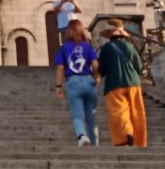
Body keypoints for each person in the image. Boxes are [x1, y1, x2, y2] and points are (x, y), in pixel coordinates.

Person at [98, 18, 147, 147]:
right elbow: (139, 66)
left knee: (119, 111)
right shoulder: (130, 47)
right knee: (136, 112)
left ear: (109, 34)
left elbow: (102, 70)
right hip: (134, 83)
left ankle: (126, 134)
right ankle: (139, 140)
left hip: (115, 83)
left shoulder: (106, 48)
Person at [54, 20, 98, 145]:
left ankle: (82, 136)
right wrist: (96, 77)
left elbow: (61, 67)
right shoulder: (88, 46)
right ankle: (94, 143)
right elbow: (95, 65)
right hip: (89, 82)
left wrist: (58, 86)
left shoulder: (64, 47)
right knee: (90, 114)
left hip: (73, 82)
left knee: (77, 115)